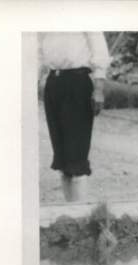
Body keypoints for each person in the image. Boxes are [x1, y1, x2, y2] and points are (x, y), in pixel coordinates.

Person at [39, 32, 111, 202]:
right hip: (53, 84)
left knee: (77, 158)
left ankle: (80, 215)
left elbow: (99, 50)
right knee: (62, 160)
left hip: (77, 83)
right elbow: (36, 53)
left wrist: (99, 88)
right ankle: (70, 215)